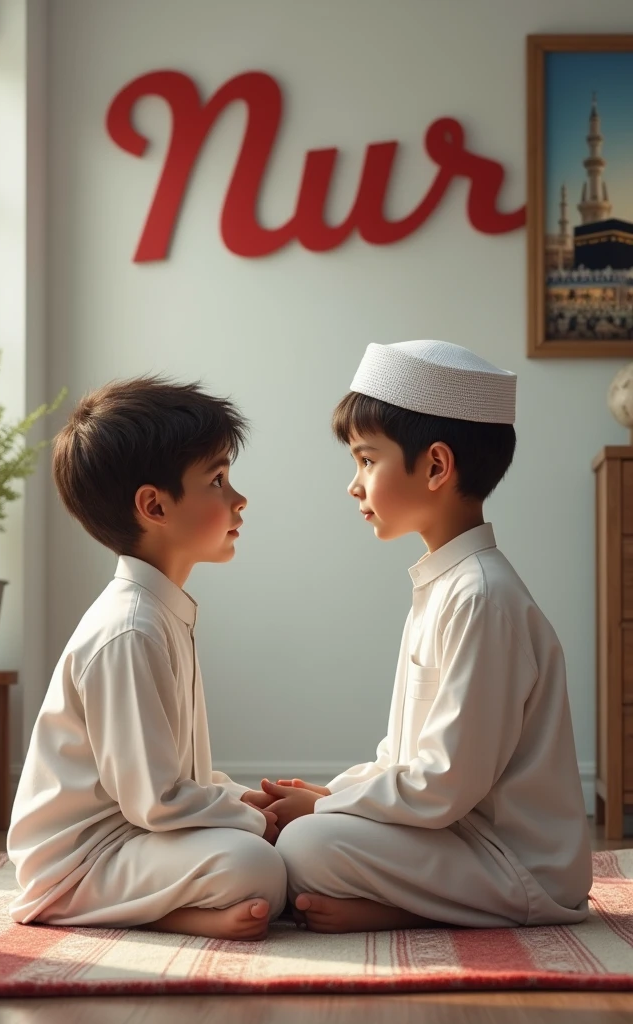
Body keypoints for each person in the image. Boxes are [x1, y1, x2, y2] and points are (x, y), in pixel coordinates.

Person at [252, 340, 592, 934]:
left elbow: (442, 785)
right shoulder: (447, 585)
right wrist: (336, 790)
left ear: (436, 466)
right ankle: (404, 900)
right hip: (457, 835)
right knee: (300, 837)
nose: (353, 486)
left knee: (306, 847)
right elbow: (405, 757)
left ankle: (405, 908)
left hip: (513, 862)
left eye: (366, 460)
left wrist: (326, 808)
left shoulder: (481, 596)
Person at [7, 377, 286, 941]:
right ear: (154, 505)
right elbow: (156, 801)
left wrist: (242, 799)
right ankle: (159, 913)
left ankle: (175, 905)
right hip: (81, 860)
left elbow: (174, 779)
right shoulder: (130, 629)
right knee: (256, 866)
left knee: (277, 854)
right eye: (216, 480)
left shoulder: (161, 611)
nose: (238, 498)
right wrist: (256, 820)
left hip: (132, 836)